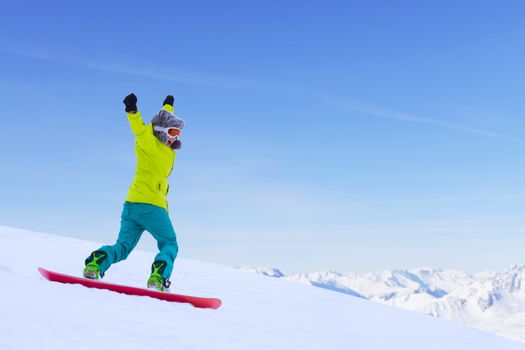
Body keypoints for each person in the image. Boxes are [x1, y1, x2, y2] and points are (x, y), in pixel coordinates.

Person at [83, 93, 185, 292]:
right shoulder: (151, 143)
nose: (175, 138)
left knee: (122, 248)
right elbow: (141, 129)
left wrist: (167, 106)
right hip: (152, 207)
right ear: (162, 131)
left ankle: (95, 263)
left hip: (131, 206)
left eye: (178, 134)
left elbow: (161, 119)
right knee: (169, 243)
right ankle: (158, 277)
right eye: (172, 132)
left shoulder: (154, 142)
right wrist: (132, 111)